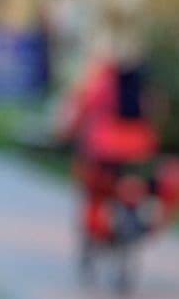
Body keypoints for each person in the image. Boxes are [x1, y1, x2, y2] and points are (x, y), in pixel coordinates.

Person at [56, 14, 166, 250]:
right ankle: (138, 222)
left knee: (94, 191)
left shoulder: (100, 80)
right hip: (140, 150)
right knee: (138, 184)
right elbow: (156, 113)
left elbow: (80, 108)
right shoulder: (142, 82)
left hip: (104, 150)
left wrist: (66, 133)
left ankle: (96, 232)